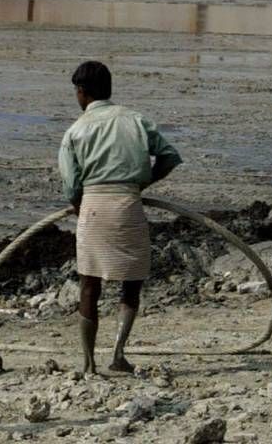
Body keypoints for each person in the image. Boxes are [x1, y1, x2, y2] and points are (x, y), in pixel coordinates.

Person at [57, 60, 182, 375]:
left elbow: (71, 185)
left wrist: (78, 204)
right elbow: (169, 157)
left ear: (82, 93)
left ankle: (88, 364)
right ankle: (118, 355)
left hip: (94, 208)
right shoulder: (135, 120)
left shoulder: (75, 130)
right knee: (131, 283)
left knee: (89, 284)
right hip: (128, 204)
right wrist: (142, 182)